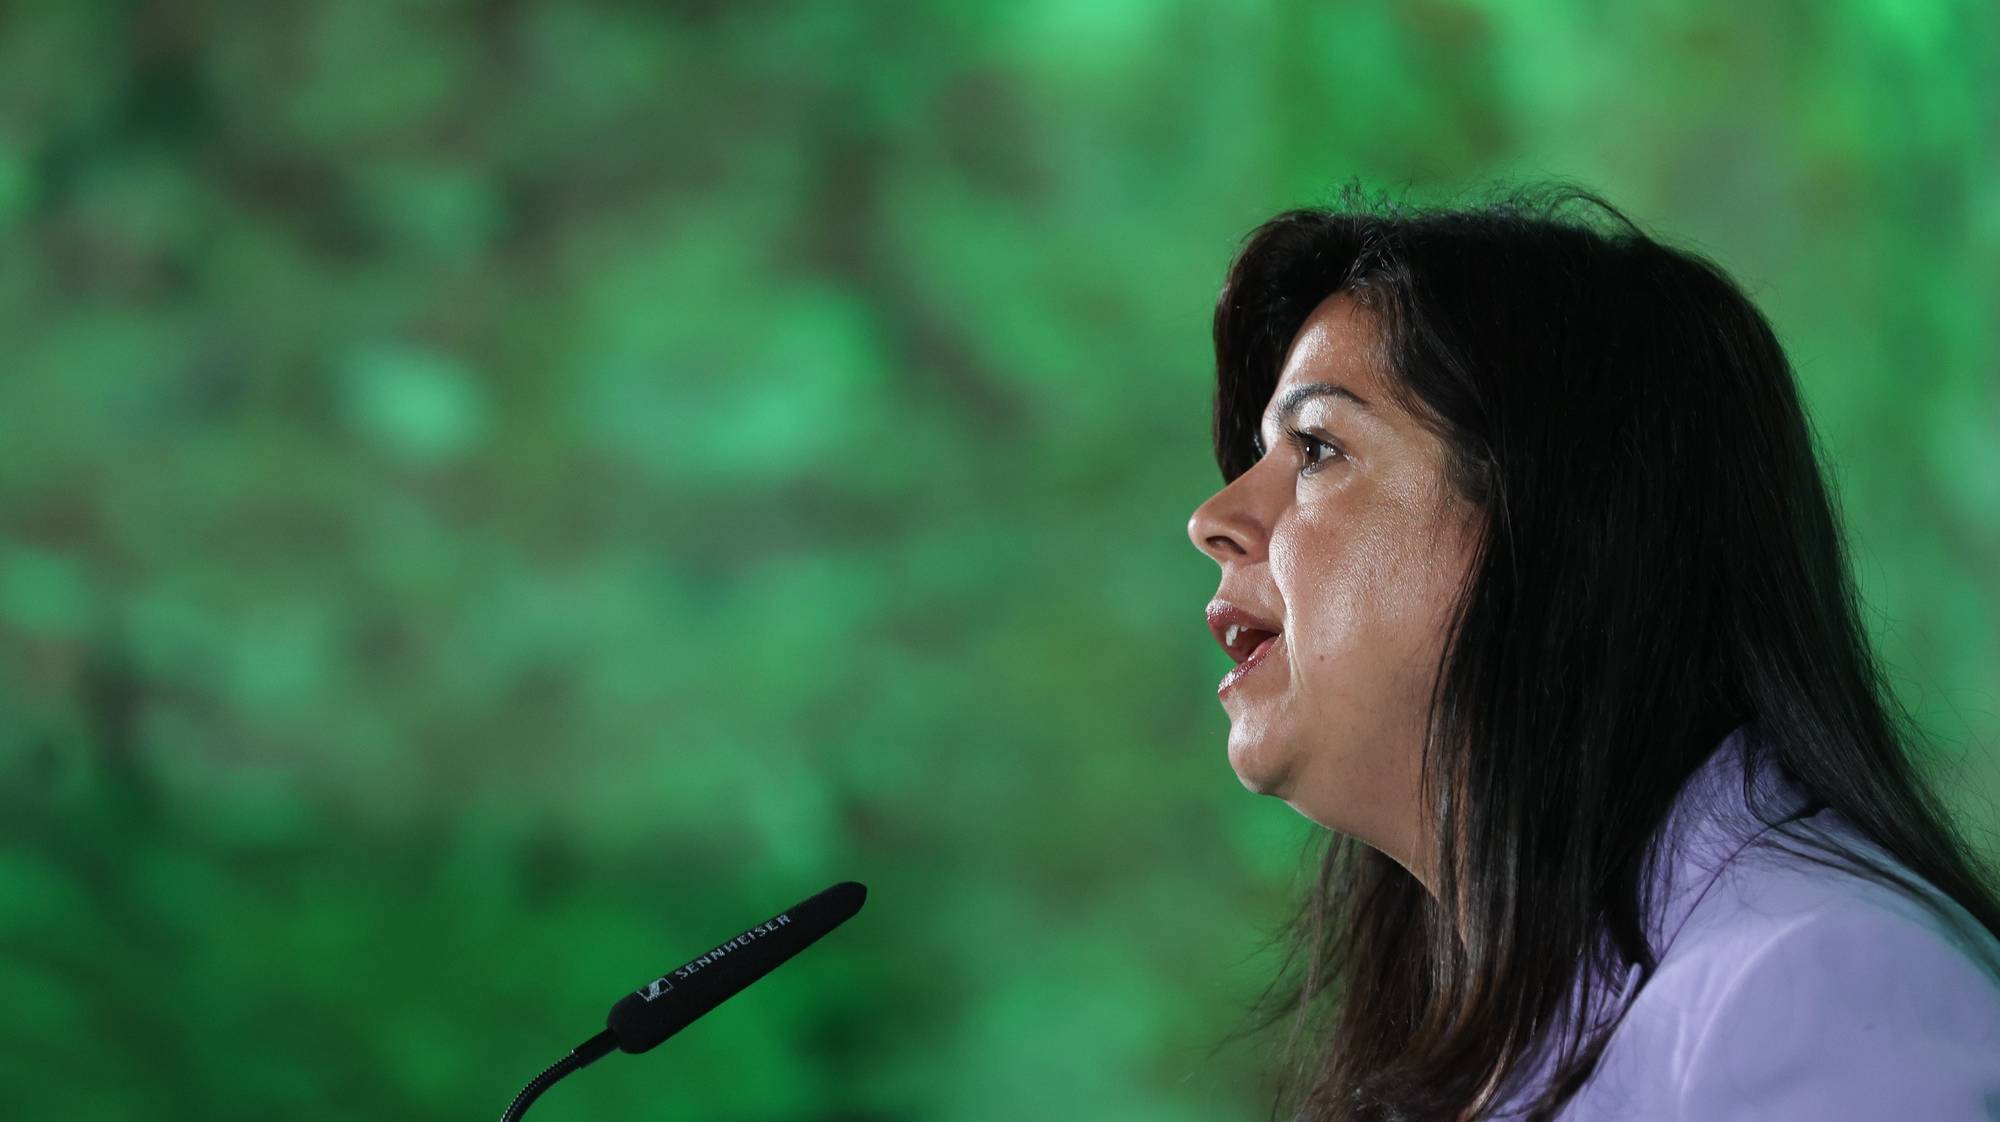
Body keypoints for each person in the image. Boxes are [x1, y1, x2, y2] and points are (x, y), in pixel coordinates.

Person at [1185, 181, 2000, 1121]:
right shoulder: (1498, 1033)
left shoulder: (1820, 985)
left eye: (1318, 447)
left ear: (1559, 521)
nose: (1216, 518)